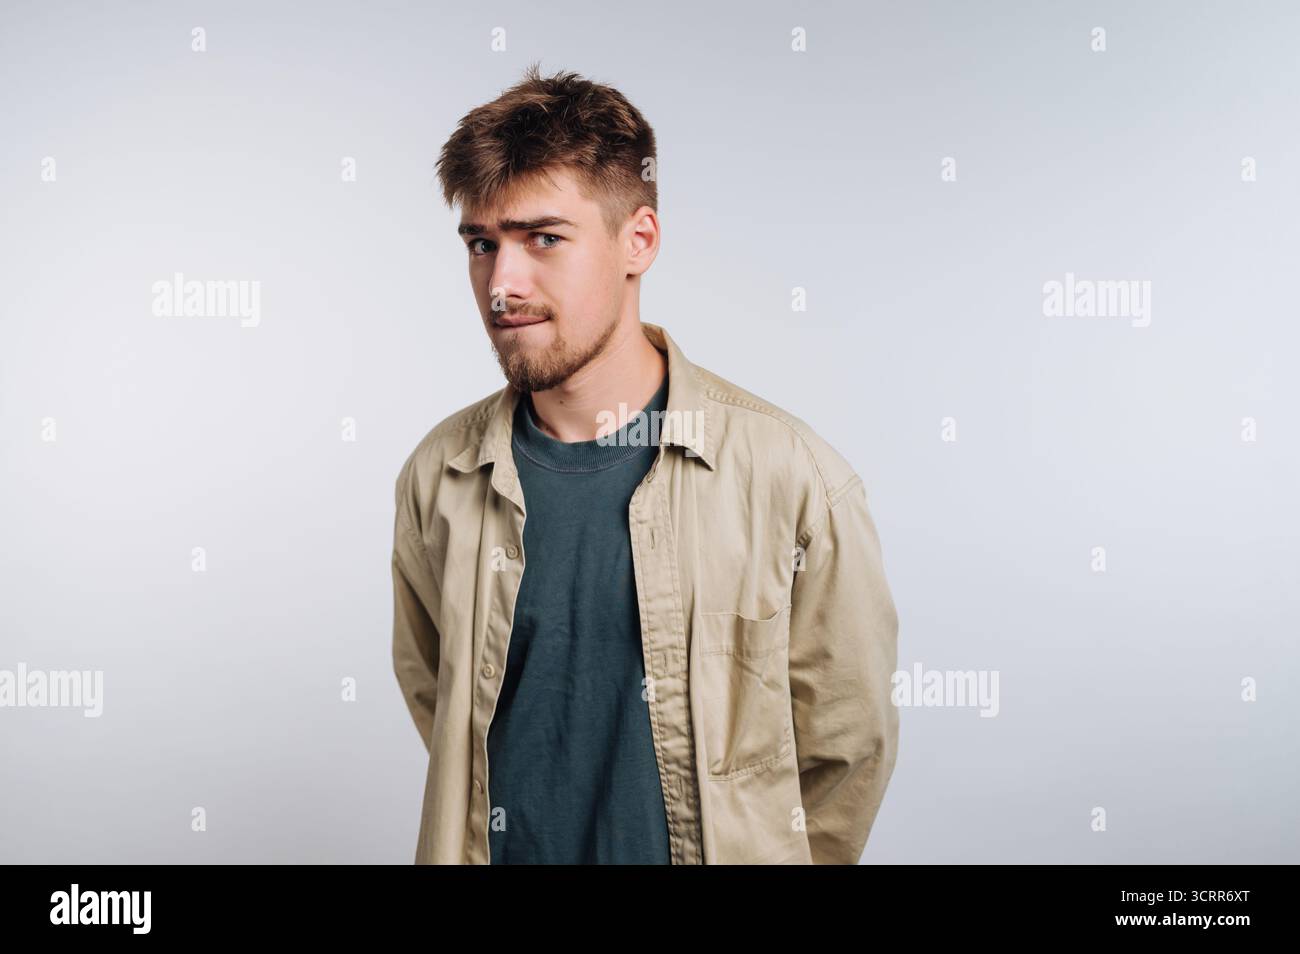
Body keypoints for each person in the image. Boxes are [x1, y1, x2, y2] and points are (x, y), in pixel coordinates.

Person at [392, 63, 899, 864]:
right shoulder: (439, 477)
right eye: (482, 245)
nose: (502, 284)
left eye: (544, 239)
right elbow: (442, 703)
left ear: (640, 241)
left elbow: (846, 749)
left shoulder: (791, 476)